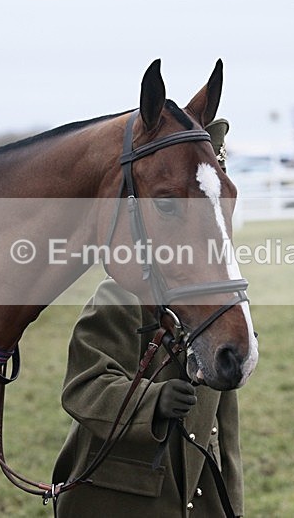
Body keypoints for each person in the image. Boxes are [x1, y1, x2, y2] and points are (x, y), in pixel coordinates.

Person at [52, 119, 245, 518]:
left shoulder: (219, 302)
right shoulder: (121, 293)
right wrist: (153, 400)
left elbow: (225, 431)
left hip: (198, 495)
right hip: (120, 501)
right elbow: (83, 388)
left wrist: (232, 504)